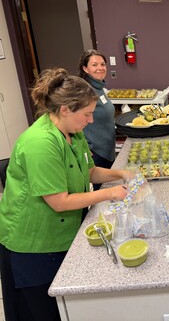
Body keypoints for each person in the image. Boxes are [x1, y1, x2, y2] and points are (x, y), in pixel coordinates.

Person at [0, 68, 131, 321]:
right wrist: (109, 195)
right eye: (87, 114)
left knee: (63, 308)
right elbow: (60, 202)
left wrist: (121, 174)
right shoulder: (41, 143)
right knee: (40, 311)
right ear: (65, 110)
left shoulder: (73, 132)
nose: (91, 120)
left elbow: (89, 171)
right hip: (32, 243)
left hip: (61, 234)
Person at [78, 49, 115, 190]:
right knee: (103, 191)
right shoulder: (85, 90)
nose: (100, 68)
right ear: (85, 68)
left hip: (106, 148)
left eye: (102, 64)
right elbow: (76, 119)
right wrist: (84, 146)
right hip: (96, 151)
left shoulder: (99, 87)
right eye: (94, 65)